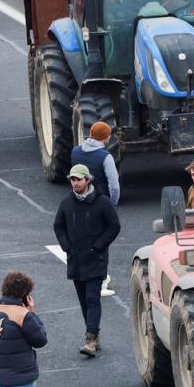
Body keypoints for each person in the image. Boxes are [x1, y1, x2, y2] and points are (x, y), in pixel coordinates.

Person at [53, 164, 121, 357]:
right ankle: (94, 334)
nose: (75, 183)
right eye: (72, 180)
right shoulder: (66, 203)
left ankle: (90, 339)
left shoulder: (103, 202)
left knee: (92, 298)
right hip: (76, 260)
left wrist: (98, 246)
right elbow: (58, 227)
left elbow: (114, 227)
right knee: (83, 300)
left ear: (87, 180)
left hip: (96, 259)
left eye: (79, 179)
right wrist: (67, 247)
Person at [72, 121, 120, 297]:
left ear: (90, 134)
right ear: (107, 137)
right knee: (101, 243)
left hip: (79, 204)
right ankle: (99, 281)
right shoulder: (105, 157)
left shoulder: (75, 151)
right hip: (99, 205)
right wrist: (112, 203)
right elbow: (114, 184)